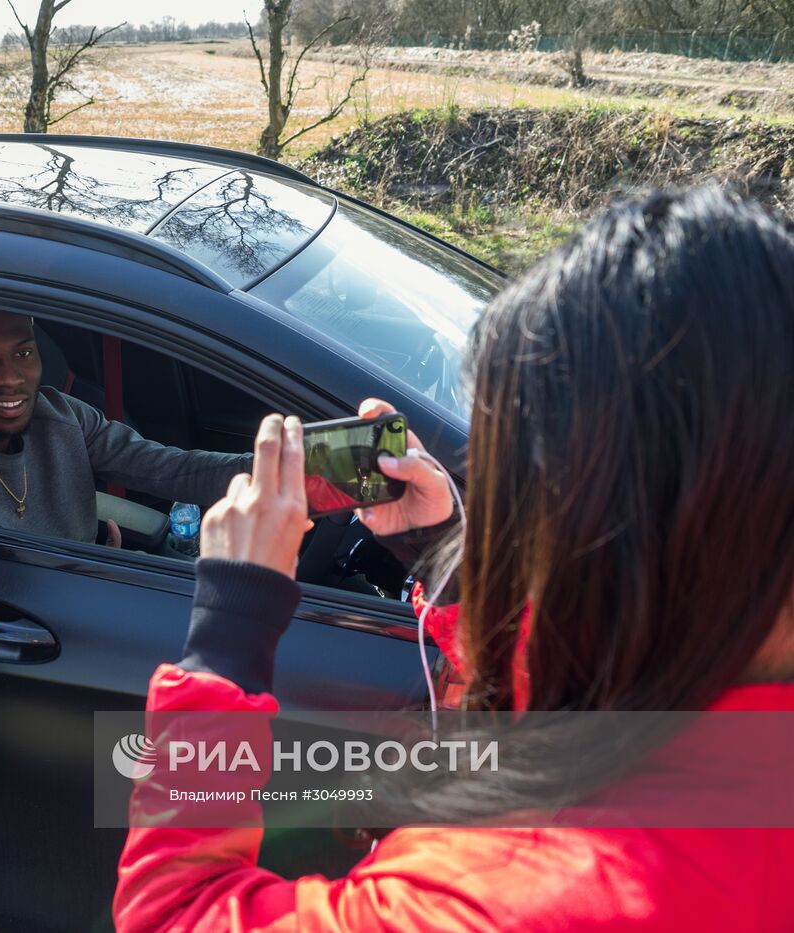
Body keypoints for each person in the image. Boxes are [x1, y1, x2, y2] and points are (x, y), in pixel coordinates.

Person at [114, 188, 794, 930]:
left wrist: (230, 627)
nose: (509, 511)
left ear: (605, 518)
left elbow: (174, 913)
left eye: (519, 478)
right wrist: (449, 562)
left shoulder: (515, 890)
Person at [0, 306, 250, 546]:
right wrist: (99, 573)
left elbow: (166, 468)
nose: (11, 378)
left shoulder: (58, 413)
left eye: (24, 353)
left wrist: (273, 468)